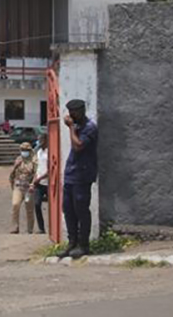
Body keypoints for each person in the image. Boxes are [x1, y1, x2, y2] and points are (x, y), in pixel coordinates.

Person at [57, 99, 98, 259]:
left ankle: (83, 245)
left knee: (81, 209)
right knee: (68, 209)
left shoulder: (89, 128)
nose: (71, 116)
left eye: (73, 113)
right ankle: (72, 243)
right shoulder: (78, 126)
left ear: (81, 111)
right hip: (71, 174)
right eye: (70, 113)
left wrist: (71, 128)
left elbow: (78, 146)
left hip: (83, 175)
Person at [8, 142, 37, 234]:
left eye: (26, 150)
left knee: (29, 208)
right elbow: (12, 174)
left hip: (29, 187)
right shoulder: (19, 159)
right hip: (18, 186)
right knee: (15, 205)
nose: (24, 152)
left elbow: (36, 173)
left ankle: (30, 229)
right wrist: (15, 166)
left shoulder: (34, 160)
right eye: (22, 150)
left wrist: (33, 184)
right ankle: (14, 227)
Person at [32, 134, 49, 234]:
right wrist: (35, 180)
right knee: (37, 204)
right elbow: (38, 168)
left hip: (48, 183)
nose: (39, 142)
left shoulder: (50, 152)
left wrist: (40, 178)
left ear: (46, 140)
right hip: (39, 184)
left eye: (41, 140)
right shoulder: (39, 152)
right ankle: (41, 228)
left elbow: (50, 170)